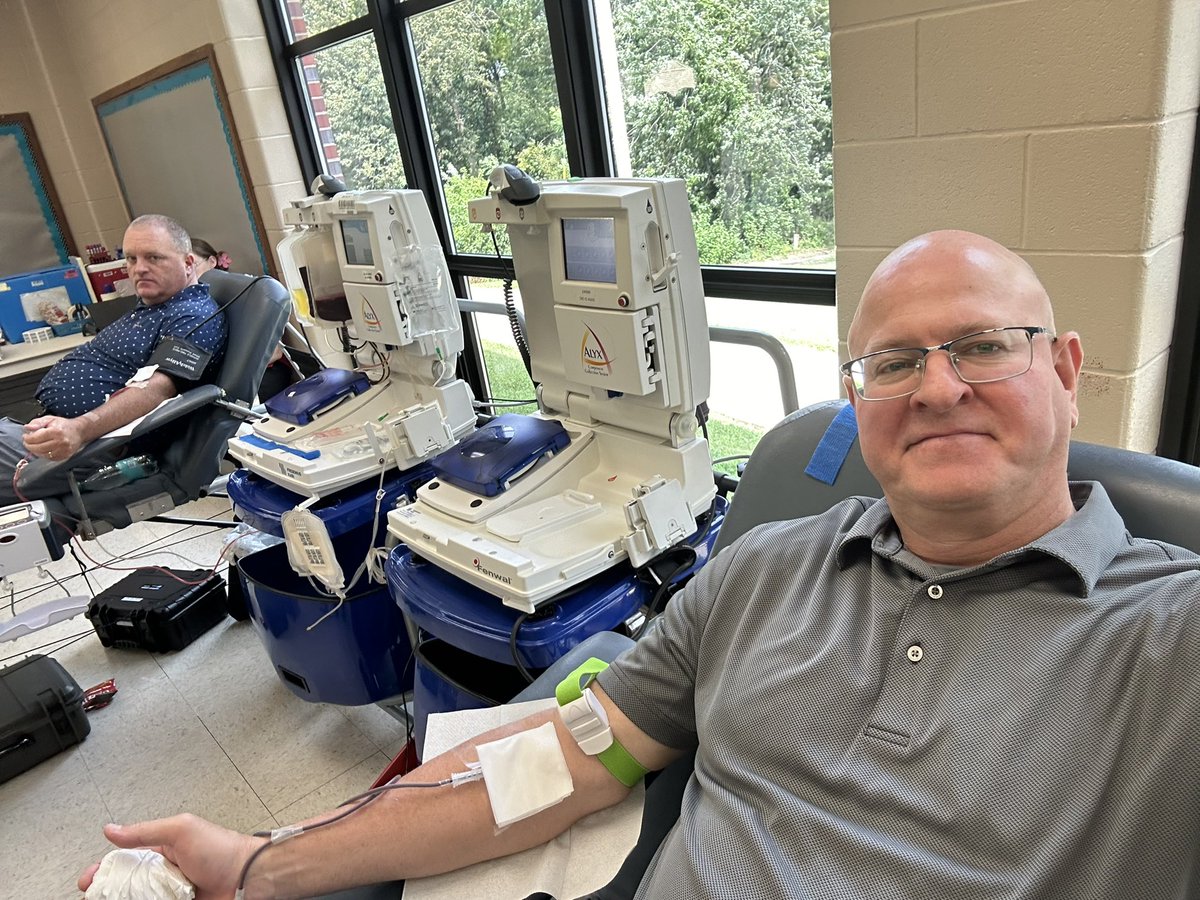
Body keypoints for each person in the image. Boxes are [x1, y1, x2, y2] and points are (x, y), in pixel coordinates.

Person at [79, 230, 1200, 898]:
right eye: (895, 363)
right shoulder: (763, 573)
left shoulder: (1169, 636)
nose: (940, 388)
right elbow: (558, 766)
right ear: (857, 402)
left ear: (1067, 371)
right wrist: (257, 861)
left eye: (986, 347)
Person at [0, 215, 228, 505]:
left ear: (188, 262)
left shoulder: (194, 317)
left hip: (88, 448)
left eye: (154, 257)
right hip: (49, 429)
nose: (139, 268)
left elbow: (157, 390)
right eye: (131, 259)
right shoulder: (153, 307)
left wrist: (79, 429)